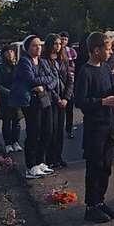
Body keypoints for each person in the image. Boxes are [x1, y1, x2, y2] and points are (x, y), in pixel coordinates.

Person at [74, 31, 114, 223]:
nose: (111, 51)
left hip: (109, 124)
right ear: (96, 50)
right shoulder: (85, 72)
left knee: (106, 166)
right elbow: (80, 100)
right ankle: (91, 206)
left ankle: (100, 201)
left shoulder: (105, 68)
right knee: (94, 166)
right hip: (95, 127)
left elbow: (111, 86)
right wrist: (103, 101)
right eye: (107, 48)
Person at [10, 35, 58, 179]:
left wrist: (42, 85)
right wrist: (41, 83)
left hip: (44, 99)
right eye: (34, 45)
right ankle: (31, 166)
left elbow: (53, 78)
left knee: (47, 130)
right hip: (31, 101)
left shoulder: (43, 61)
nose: (38, 48)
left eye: (39, 45)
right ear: (28, 48)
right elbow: (30, 80)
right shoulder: (24, 62)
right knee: (34, 132)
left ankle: (41, 161)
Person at [43, 33, 74, 168]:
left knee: (60, 129)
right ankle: (50, 158)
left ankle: (58, 156)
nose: (58, 46)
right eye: (55, 43)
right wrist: (57, 98)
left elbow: (69, 80)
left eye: (59, 44)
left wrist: (66, 97)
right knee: (51, 129)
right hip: (52, 98)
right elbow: (47, 84)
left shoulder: (63, 59)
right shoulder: (44, 60)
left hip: (63, 97)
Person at [0, 44, 22, 153]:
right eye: (8, 52)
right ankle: (8, 143)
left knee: (17, 121)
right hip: (5, 98)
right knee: (7, 121)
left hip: (17, 97)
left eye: (12, 51)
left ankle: (16, 141)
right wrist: (9, 92)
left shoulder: (18, 66)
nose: (10, 54)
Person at [60, 31, 78, 139]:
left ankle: (69, 129)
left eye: (65, 39)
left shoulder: (71, 51)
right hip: (60, 82)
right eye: (62, 39)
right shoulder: (56, 51)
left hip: (70, 81)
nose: (63, 41)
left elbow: (75, 66)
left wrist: (70, 69)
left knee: (70, 109)